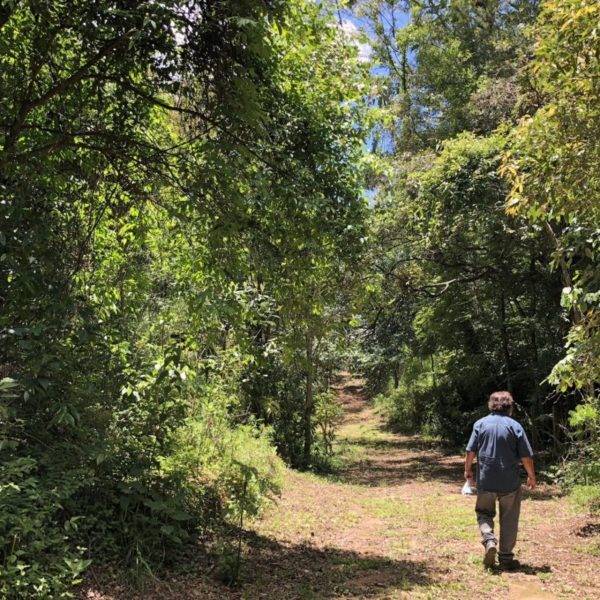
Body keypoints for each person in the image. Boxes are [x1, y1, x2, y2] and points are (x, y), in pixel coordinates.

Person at [464, 391, 536, 569]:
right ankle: (505, 558)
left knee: (484, 513)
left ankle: (489, 539)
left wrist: (467, 470)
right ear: (509, 407)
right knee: (510, 518)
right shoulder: (515, 426)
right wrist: (531, 476)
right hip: (509, 482)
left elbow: (470, 451)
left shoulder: (480, 424)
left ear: (491, 405)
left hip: (486, 480)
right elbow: (526, 456)